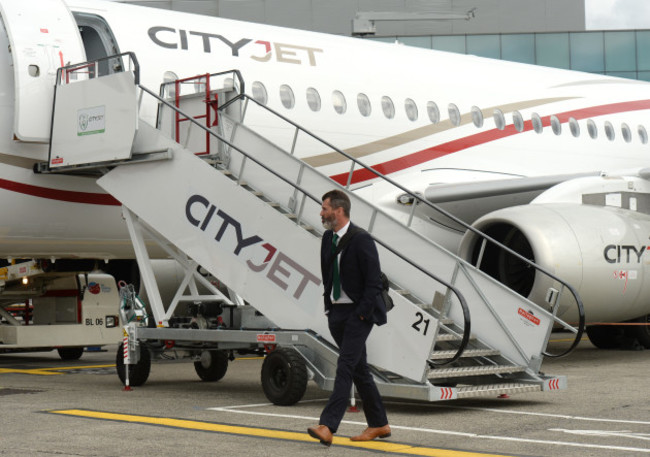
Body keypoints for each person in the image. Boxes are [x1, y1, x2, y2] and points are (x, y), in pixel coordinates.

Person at [307, 189, 390, 446]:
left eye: (324, 208)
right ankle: (379, 424)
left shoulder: (361, 239)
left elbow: (374, 280)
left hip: (357, 313)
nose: (321, 213)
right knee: (358, 369)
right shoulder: (327, 239)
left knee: (344, 365)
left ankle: (327, 425)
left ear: (339, 210)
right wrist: (329, 307)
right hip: (337, 311)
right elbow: (327, 274)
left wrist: (362, 314)